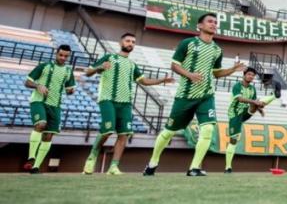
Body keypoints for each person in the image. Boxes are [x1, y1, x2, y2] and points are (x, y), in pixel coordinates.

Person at [143, 13, 244, 176]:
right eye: (210, 21)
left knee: (208, 130)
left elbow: (216, 73)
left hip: (206, 96)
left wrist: (231, 70)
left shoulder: (217, 50)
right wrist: (189, 75)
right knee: (169, 131)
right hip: (185, 96)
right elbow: (174, 65)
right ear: (200, 26)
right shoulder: (187, 43)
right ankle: (152, 163)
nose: (214, 24)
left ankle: (194, 168)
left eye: (215, 22)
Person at [83, 33, 173, 175]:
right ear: (121, 42)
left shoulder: (132, 65)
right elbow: (87, 72)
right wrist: (99, 67)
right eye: (127, 41)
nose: (130, 43)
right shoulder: (109, 58)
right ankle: (92, 156)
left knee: (124, 135)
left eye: (133, 41)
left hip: (125, 103)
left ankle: (113, 166)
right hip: (108, 99)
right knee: (107, 130)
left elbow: (143, 81)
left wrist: (162, 80)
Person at [24, 44, 76, 174]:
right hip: (39, 101)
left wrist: (71, 91)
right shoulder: (44, 66)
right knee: (41, 124)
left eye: (66, 56)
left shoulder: (69, 71)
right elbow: (27, 82)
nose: (63, 58)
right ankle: (31, 156)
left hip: (55, 105)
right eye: (61, 55)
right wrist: (37, 85)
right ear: (56, 54)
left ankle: (36, 167)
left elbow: (69, 89)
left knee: (48, 136)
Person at [225, 68, 282, 173]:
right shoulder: (237, 86)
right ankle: (228, 167)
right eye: (249, 74)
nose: (251, 76)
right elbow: (240, 99)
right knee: (233, 141)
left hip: (245, 112)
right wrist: (256, 104)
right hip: (235, 115)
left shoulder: (252, 89)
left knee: (258, 102)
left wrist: (259, 110)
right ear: (244, 75)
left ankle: (274, 95)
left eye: (253, 75)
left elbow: (254, 102)